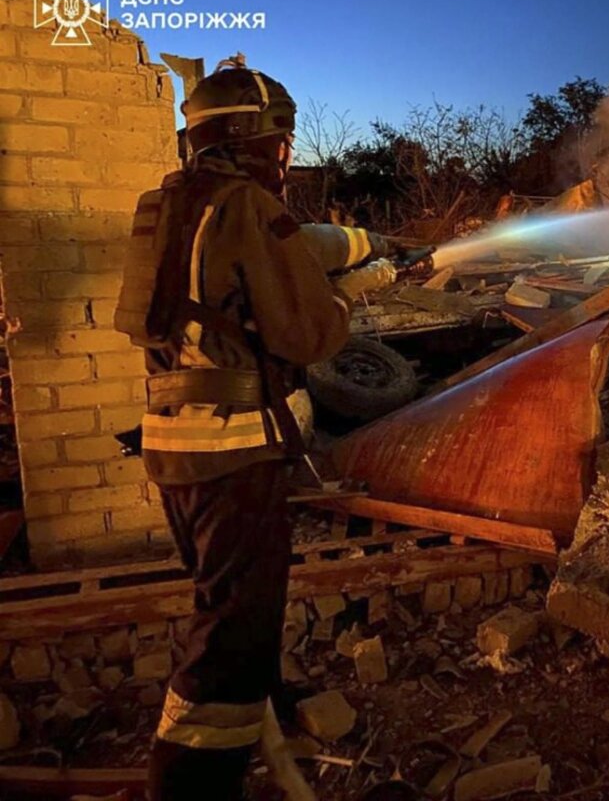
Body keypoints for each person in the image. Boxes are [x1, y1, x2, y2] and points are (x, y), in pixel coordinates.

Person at [114, 56, 396, 800]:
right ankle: (188, 781)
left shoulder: (166, 203)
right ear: (248, 141)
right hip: (235, 450)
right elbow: (304, 334)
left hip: (173, 444)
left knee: (234, 600)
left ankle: (264, 712)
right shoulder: (249, 206)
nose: (285, 157)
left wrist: (334, 261)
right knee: (232, 629)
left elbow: (223, 296)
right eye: (279, 142)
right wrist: (349, 300)